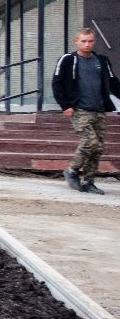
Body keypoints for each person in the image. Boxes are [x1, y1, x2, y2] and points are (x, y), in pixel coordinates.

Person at [51, 27, 120, 195]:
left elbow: (113, 82)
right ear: (76, 42)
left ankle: (89, 182)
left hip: (99, 109)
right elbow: (57, 83)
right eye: (83, 41)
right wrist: (65, 105)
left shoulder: (102, 60)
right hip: (79, 109)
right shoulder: (68, 59)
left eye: (90, 41)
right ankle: (72, 171)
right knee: (90, 142)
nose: (87, 44)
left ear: (94, 42)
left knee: (97, 148)